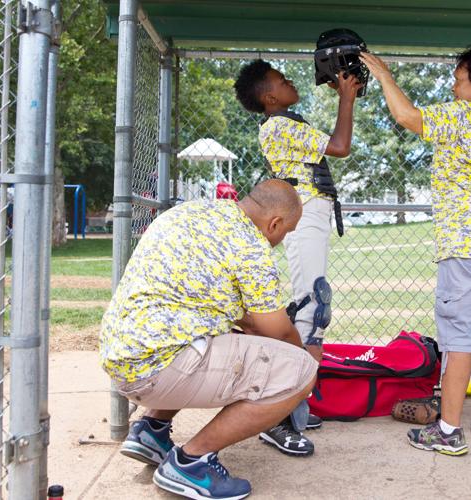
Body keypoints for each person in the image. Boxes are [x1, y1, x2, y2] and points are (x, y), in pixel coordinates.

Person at [100, 179, 317, 500]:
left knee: (223, 330)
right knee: (300, 371)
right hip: (157, 369)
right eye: (287, 231)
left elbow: (226, 312)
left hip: (122, 356)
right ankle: (191, 462)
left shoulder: (190, 212)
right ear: (275, 223)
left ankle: (152, 431)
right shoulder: (251, 248)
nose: (283, 239)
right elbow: (278, 334)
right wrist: (307, 366)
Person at [360, 44, 471, 456]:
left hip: (462, 243)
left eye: (460, 79)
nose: (453, 84)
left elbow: (408, 117)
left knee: (457, 336)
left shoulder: (460, 114)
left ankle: (447, 430)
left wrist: (386, 77)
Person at [233, 59, 361, 456]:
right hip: (303, 215)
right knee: (311, 307)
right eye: (282, 80)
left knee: (312, 305)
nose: (290, 81)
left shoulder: (290, 121)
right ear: (270, 97)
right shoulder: (279, 125)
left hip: (311, 214)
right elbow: (340, 147)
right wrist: (346, 98)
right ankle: (280, 416)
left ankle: (295, 401)